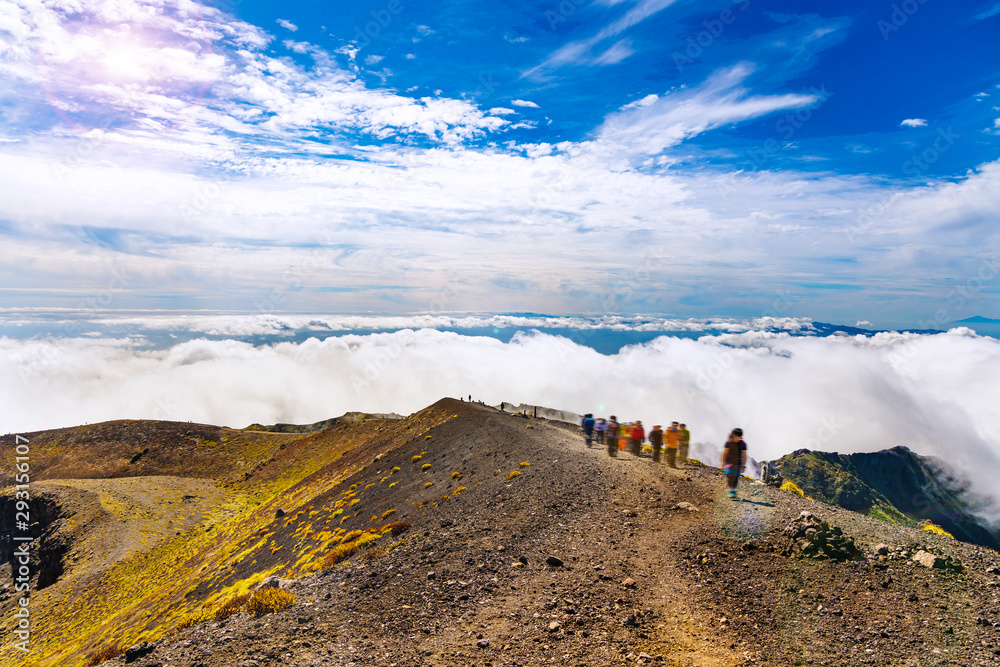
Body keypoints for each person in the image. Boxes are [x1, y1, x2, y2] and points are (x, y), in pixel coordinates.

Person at [722, 428, 747, 500]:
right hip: (729, 462)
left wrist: (743, 465)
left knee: (735, 476)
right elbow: (725, 453)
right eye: (736, 436)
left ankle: (732, 490)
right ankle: (731, 489)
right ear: (733, 435)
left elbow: (744, 455)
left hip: (738, 463)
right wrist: (723, 463)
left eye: (739, 437)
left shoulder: (743, 444)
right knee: (730, 475)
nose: (738, 438)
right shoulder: (728, 443)